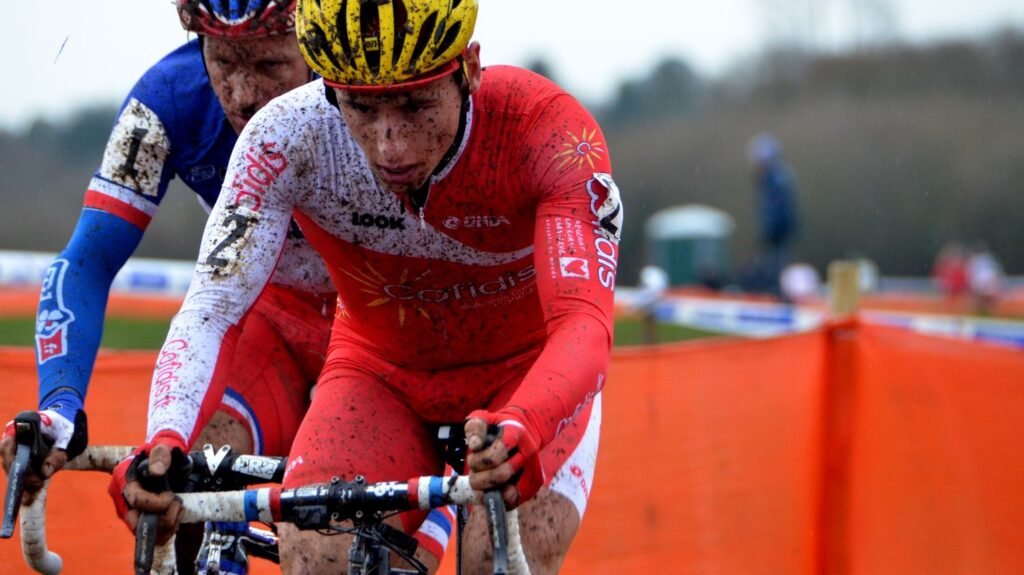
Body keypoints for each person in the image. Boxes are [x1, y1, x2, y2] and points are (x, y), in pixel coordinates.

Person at [111, 0, 622, 573]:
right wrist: (164, 440)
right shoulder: (286, 136)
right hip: (382, 376)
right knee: (316, 554)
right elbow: (212, 307)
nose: (390, 147)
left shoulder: (547, 131)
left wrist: (529, 417)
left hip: (524, 376)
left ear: (470, 70)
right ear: (329, 89)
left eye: (415, 104)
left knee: (493, 563)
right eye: (359, 106)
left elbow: (584, 323)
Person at [743, 132, 800, 297]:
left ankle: (780, 294)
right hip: (777, 230)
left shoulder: (776, 178)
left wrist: (771, 229)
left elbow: (779, 208)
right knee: (775, 264)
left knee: (778, 265)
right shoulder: (772, 177)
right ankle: (777, 292)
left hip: (778, 231)